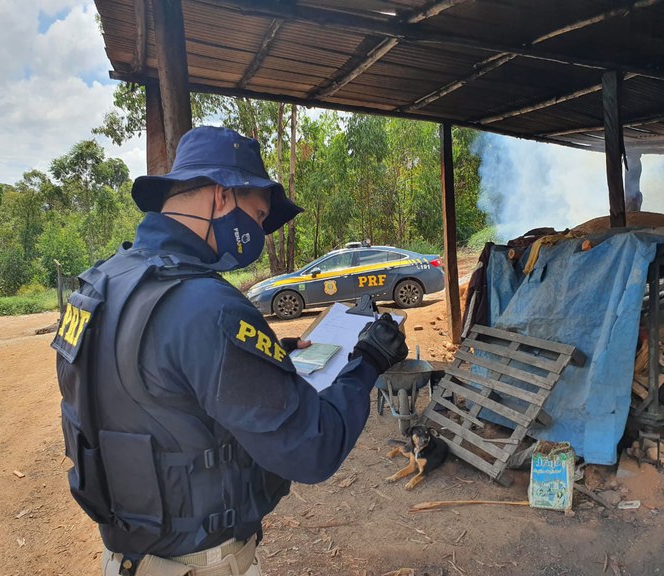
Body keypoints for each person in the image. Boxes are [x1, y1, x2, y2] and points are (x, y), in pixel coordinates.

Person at [52, 126, 408, 576]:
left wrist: (260, 358)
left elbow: (143, 385)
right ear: (221, 196)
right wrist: (371, 360)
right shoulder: (207, 307)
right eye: (259, 216)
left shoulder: (101, 283)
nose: (259, 232)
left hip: (126, 557)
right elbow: (313, 449)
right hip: (198, 564)